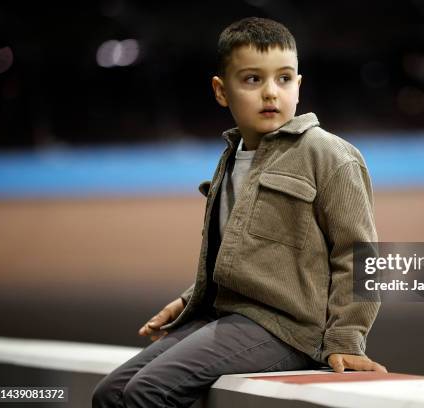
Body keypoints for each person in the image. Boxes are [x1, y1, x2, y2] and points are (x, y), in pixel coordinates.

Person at [92, 16, 386, 408]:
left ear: (299, 85)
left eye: (284, 79)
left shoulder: (329, 155)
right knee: (110, 394)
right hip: (227, 317)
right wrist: (187, 300)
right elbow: (243, 254)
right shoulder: (232, 158)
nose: (270, 93)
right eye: (252, 80)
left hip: (286, 329)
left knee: (148, 393)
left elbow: (360, 254)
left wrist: (347, 339)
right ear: (221, 91)